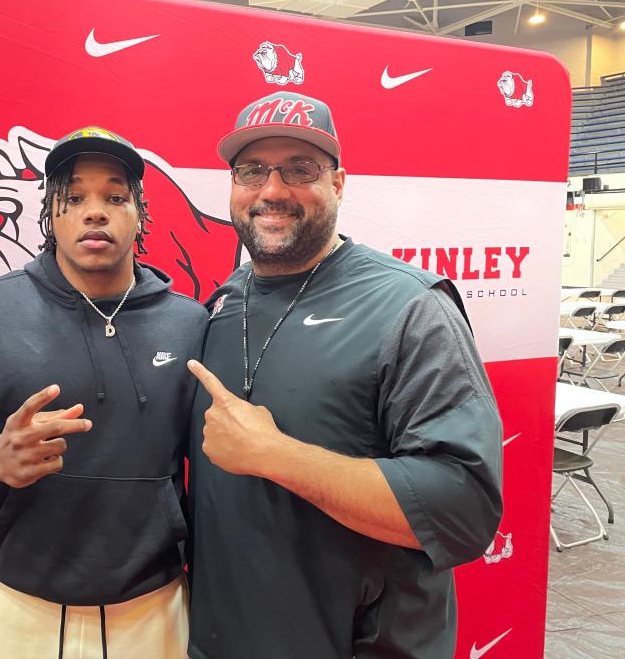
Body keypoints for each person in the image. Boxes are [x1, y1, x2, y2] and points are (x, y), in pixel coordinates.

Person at [186, 92, 503, 659]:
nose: (272, 190)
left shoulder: (410, 306)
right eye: (252, 170)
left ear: (338, 184)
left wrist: (275, 454)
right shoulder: (221, 303)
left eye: (300, 169)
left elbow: (463, 510)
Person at [0, 126, 206, 658]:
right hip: (21, 606)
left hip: (153, 603)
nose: (96, 212)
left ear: (140, 214)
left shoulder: (189, 324)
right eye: (75, 198)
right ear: (50, 215)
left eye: (115, 197)